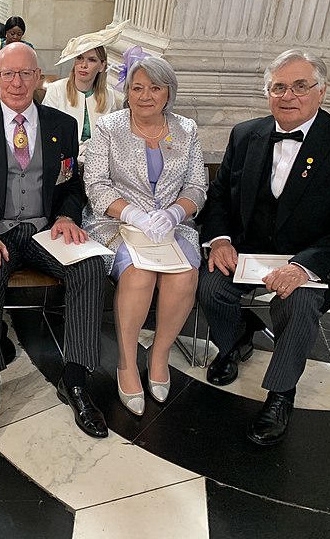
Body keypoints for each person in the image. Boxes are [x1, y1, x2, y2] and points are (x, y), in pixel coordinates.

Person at [197, 49, 330, 446]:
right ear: (267, 93)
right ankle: (235, 340)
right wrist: (221, 240)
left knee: (296, 306)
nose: (288, 95)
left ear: (321, 90)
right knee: (210, 288)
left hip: (313, 257)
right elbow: (220, 199)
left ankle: (281, 394)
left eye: (300, 85)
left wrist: (302, 267)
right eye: (278, 87)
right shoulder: (246, 135)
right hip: (249, 249)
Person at [0, 42, 109, 445]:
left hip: (43, 231)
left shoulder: (62, 126)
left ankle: (74, 380)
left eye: (26, 74)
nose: (17, 82)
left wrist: (68, 216)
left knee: (89, 266)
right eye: (8, 74)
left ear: (38, 78)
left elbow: (70, 184)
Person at [83, 55, 206, 416]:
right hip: (117, 223)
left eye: (155, 87)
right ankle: (126, 360)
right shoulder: (109, 127)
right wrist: (133, 213)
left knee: (184, 277)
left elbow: (197, 184)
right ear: (127, 91)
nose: (146, 95)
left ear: (169, 91)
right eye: (137, 88)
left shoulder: (187, 129)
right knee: (139, 275)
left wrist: (174, 213)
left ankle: (160, 354)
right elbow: (96, 184)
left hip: (173, 226)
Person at [43, 23, 124, 159]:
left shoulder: (109, 95)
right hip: (62, 158)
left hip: (98, 160)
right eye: (79, 58)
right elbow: (46, 133)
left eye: (91, 60)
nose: (83, 65)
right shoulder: (56, 90)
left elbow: (112, 138)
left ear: (101, 66)